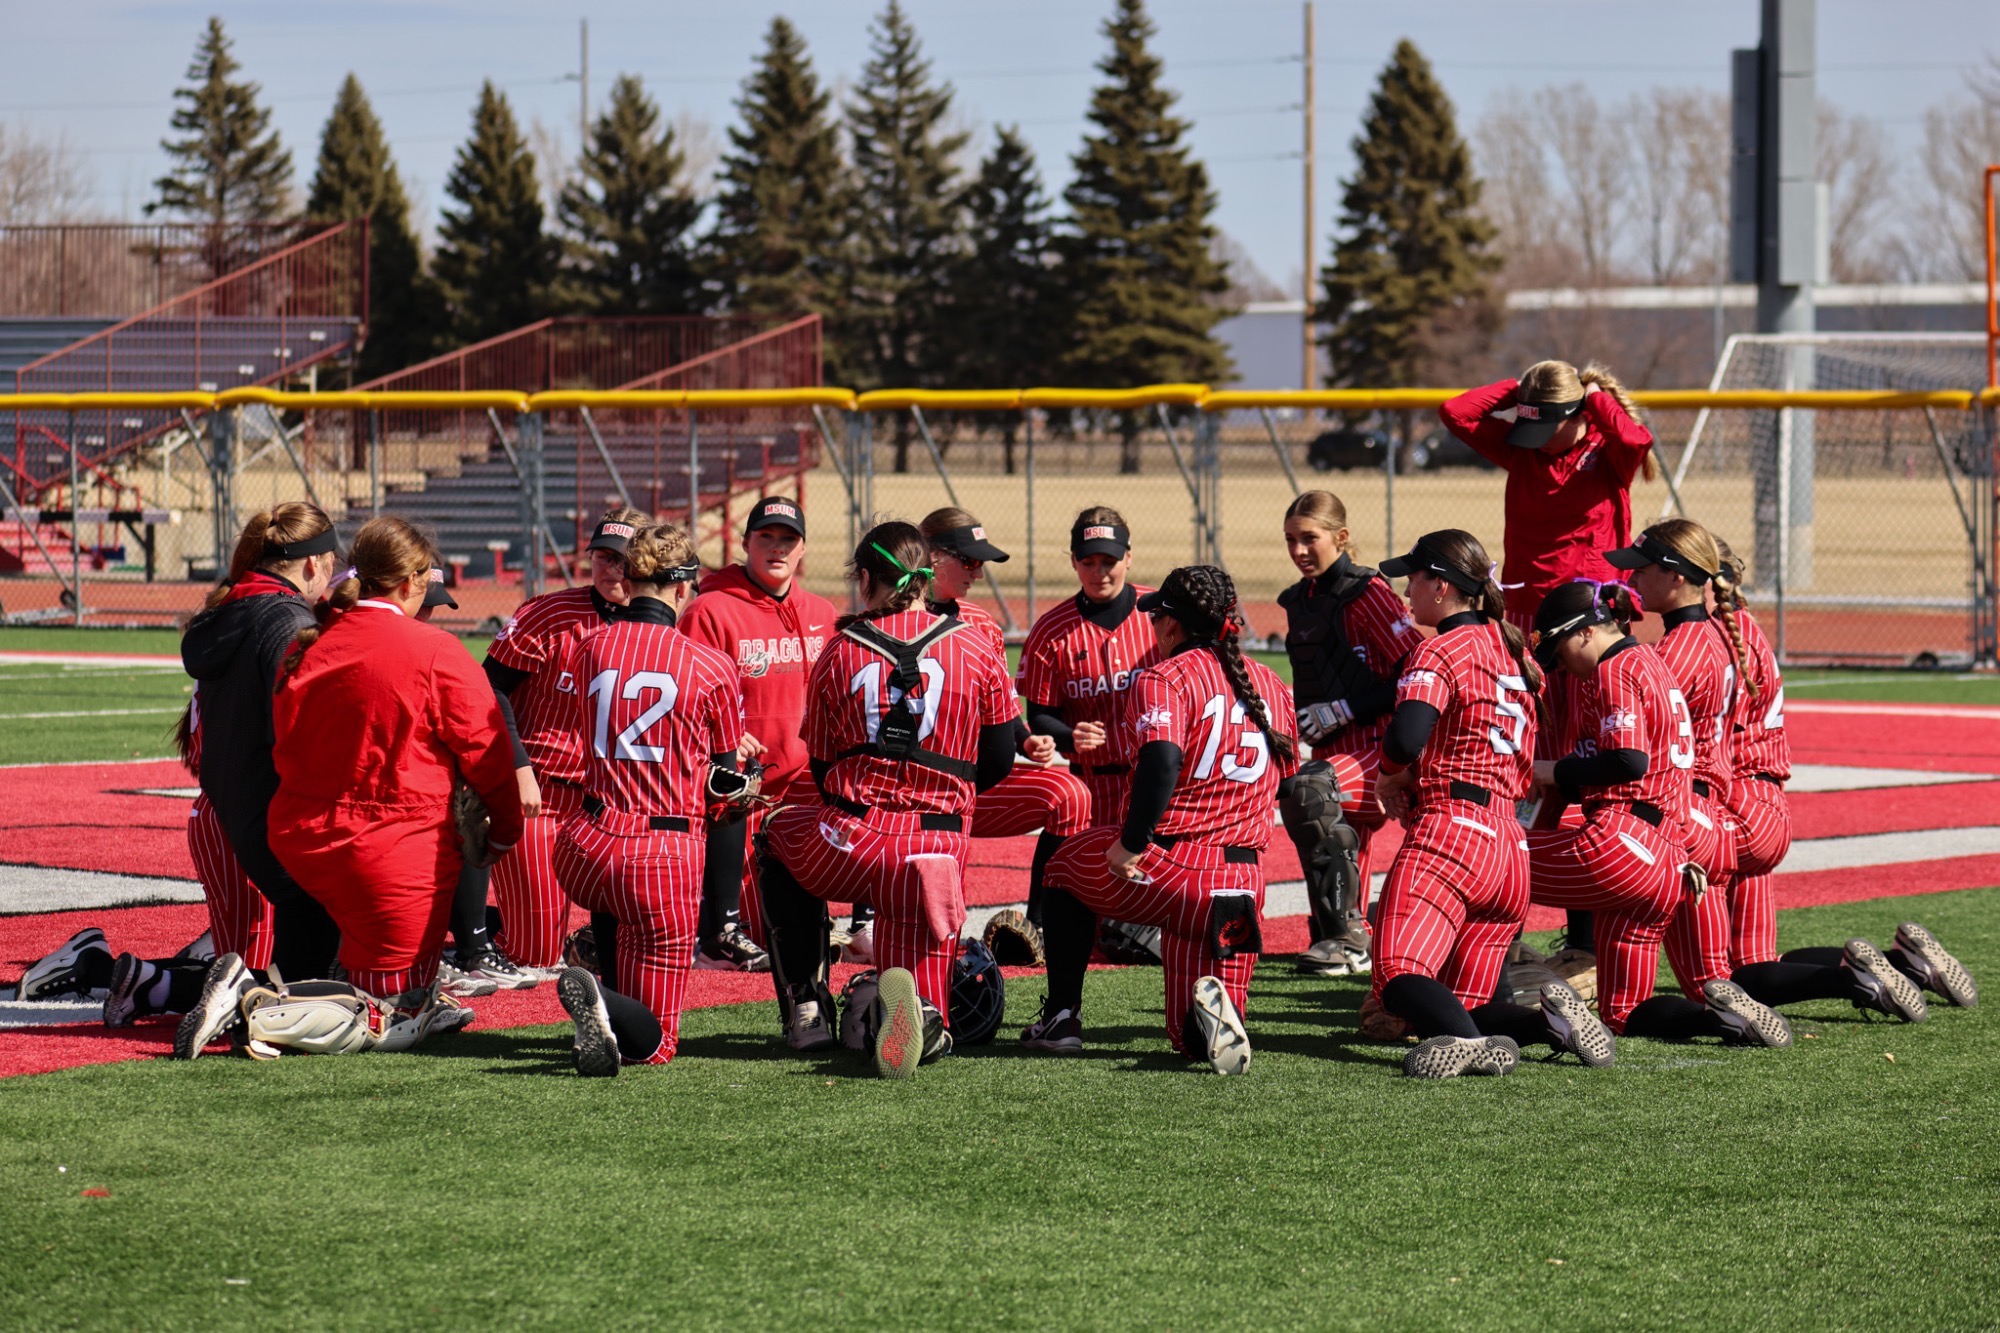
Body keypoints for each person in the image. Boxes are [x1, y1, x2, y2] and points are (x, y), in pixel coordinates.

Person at [172, 516, 524, 1061]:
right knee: (391, 1017)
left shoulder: (312, 640)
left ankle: (275, 996)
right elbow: (490, 754)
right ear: (410, 583)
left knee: (349, 975)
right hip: (389, 847)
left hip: (302, 836)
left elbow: (284, 743)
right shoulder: (431, 649)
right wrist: (502, 835)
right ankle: (252, 999)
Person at [754, 522, 1018, 1079]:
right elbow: (999, 759)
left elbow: (822, 769)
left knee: (775, 836)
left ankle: (807, 1009)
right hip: (938, 847)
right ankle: (926, 1018)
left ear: (867, 577)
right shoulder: (977, 644)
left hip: (852, 840)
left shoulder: (840, 649)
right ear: (926, 577)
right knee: (917, 959)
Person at [1022, 565, 1297, 1074]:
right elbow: (1287, 777)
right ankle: (1208, 1021)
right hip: (1244, 882)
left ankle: (1061, 1017)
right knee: (1188, 1039)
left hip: (1177, 869)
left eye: (1157, 620)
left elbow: (1161, 762)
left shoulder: (1165, 676)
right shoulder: (1272, 684)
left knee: (1060, 867)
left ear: (1171, 624)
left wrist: (1132, 841)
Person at [1358, 531, 1612, 1078]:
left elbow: (1405, 738)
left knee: (1396, 977)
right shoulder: (1515, 653)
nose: (1406, 591)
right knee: (1470, 1007)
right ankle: (1551, 1025)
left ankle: (1470, 1046)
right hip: (1509, 848)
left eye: (1414, 578)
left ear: (1442, 586)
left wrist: (1389, 777)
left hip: (1452, 833)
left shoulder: (1440, 649)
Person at [1699, 538, 1976, 1018]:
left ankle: (1851, 979)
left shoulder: (1701, 640)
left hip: (1725, 807)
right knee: (1755, 962)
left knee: (1723, 980)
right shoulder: (1748, 632)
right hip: (1766, 801)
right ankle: (1900, 965)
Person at [1440, 360, 1657, 954]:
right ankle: (1496, 911)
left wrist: (1592, 396)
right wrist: (1522, 392)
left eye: (1546, 424)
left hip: (1586, 630)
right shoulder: (1524, 449)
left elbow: (1638, 438)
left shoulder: (1607, 454)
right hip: (1524, 624)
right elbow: (1455, 411)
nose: (1530, 437)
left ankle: (1585, 939)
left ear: (1579, 416)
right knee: (1518, 761)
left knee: (1582, 764)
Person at [1524, 580, 1791, 1048]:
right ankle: (1720, 1020)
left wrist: (1554, 770)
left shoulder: (1615, 669)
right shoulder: (1652, 659)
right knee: (1622, 1013)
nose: (1562, 666)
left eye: (1561, 650)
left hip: (1622, 841)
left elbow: (1629, 760)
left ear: (1586, 632)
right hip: (1672, 852)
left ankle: (1469, 995)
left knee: (1482, 864)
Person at [548, 522, 750, 1076]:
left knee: (616, 908)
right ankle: (601, 997)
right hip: (659, 854)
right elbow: (724, 782)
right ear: (684, 587)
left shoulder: (589, 648)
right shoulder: (713, 666)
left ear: (629, 578)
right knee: (656, 1048)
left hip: (584, 846)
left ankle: (606, 999)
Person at [470, 509, 645, 983]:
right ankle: (463, 935)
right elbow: (488, 690)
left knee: (642, 937)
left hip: (611, 805)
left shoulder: (657, 629)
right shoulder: (550, 613)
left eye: (626, 559)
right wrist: (518, 767)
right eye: (605, 557)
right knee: (536, 954)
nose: (615, 569)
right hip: (539, 798)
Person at [178, 502, 345, 983]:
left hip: (221, 808)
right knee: (276, 972)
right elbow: (296, 727)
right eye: (330, 567)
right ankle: (115, 973)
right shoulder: (283, 618)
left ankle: (142, 982)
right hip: (269, 813)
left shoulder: (231, 607)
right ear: (313, 563)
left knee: (244, 966)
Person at [917, 506, 1091, 957]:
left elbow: (1004, 712)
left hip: (977, 783)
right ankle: (869, 922)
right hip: (905, 791)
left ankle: (1037, 930)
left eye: (981, 563)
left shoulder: (982, 624)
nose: (978, 572)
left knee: (1070, 795)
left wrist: (1025, 738)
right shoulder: (884, 621)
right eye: (969, 562)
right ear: (932, 556)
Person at [677, 495, 837, 962]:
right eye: (765, 537)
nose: (777, 548)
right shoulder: (710, 610)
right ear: (746, 542)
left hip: (806, 780)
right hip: (742, 787)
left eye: (788, 539)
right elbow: (687, 696)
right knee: (766, 932)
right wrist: (722, 733)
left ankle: (867, 923)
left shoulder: (822, 613)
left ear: (803, 548)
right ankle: (715, 929)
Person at [1276, 490, 1424, 976]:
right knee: (1313, 798)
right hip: (1336, 749)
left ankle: (1351, 937)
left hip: (1383, 747)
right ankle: (1345, 930)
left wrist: (1346, 707)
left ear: (1341, 538)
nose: (1299, 550)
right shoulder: (1300, 600)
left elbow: (1415, 671)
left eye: (1310, 539)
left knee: (1311, 790)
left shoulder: (1368, 593)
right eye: (1291, 540)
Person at [1603, 521, 1741, 1007]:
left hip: (1684, 818)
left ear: (1676, 575)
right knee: (1715, 988)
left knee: (1627, 1006)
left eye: (1642, 569)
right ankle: (1852, 977)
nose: (1632, 580)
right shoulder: (1713, 634)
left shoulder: (1676, 649)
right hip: (1710, 815)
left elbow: (1642, 738)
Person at [1016, 506, 1160, 956]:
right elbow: (1039, 713)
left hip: (1159, 783)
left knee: (1146, 925)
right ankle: (1035, 923)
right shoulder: (1052, 630)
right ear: (1074, 561)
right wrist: (1067, 736)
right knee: (1083, 916)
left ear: (1129, 558)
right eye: (1088, 561)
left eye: (1109, 561)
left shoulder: (1162, 613)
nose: (1099, 572)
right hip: (1091, 786)